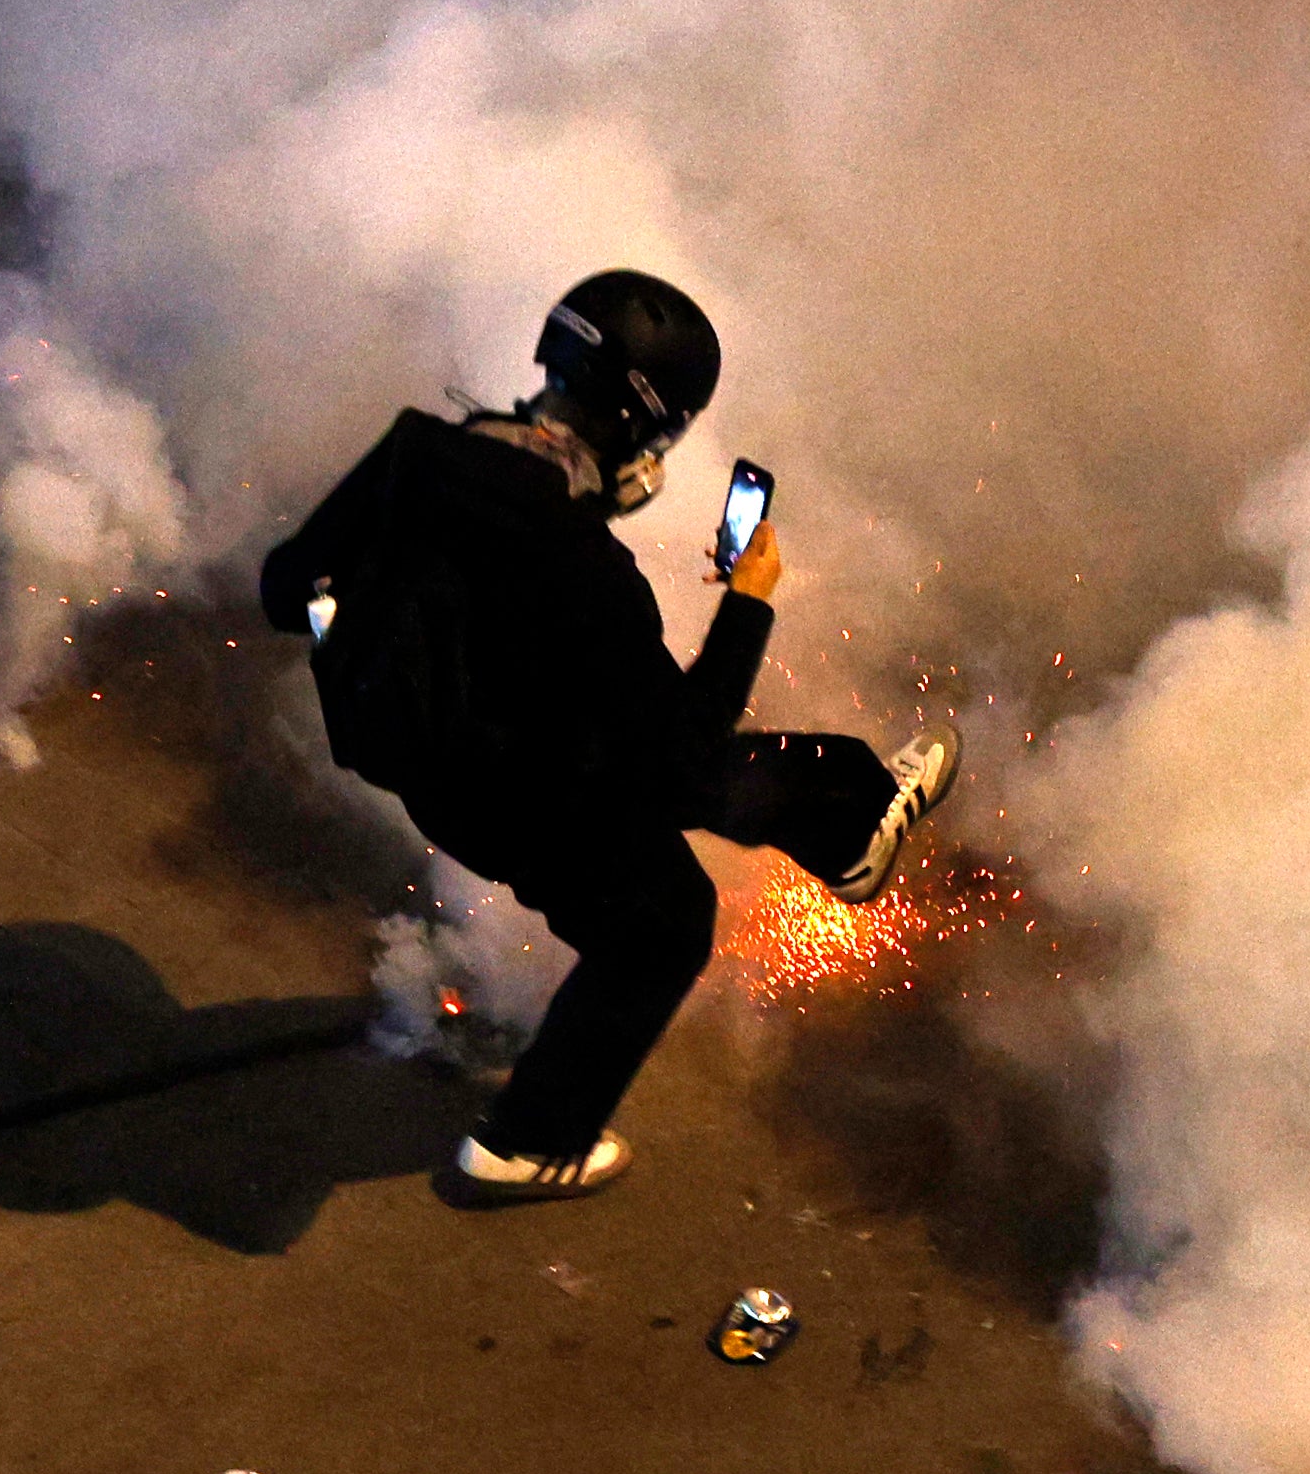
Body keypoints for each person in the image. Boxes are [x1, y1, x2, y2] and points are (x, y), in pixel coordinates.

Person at [257, 270, 959, 1205]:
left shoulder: (415, 455)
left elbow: (280, 589)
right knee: (666, 914)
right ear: (640, 430)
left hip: (434, 771)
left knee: (646, 779)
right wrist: (747, 608)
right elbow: (684, 763)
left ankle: (850, 826)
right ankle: (532, 1144)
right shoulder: (582, 569)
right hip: (524, 803)